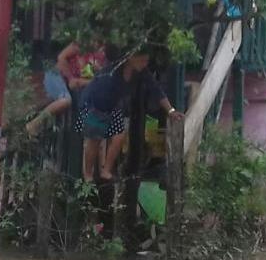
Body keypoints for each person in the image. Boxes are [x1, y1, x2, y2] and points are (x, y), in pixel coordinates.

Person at [75, 46, 184, 182]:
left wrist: (171, 111)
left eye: (146, 61)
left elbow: (156, 89)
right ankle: (88, 175)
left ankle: (106, 170)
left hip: (112, 105)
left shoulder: (142, 72)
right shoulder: (112, 72)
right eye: (142, 60)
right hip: (94, 104)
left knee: (119, 136)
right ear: (131, 58)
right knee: (95, 140)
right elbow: (99, 95)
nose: (144, 64)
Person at [25, 41, 107, 137]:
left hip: (67, 86)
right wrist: (70, 77)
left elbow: (78, 83)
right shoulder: (80, 45)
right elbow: (61, 58)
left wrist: (94, 78)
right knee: (65, 101)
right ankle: (34, 124)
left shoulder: (101, 62)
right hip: (56, 75)